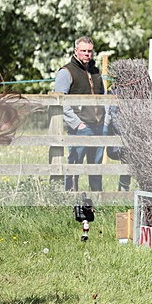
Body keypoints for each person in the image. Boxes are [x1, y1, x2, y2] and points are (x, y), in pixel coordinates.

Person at [54, 36, 106, 191]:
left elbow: (103, 97)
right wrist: (78, 124)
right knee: (74, 164)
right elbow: (60, 101)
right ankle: (70, 197)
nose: (87, 54)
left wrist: (106, 120)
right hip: (80, 126)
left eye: (89, 51)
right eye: (83, 51)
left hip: (99, 125)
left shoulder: (96, 72)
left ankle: (97, 199)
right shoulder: (66, 72)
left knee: (96, 166)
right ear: (76, 51)